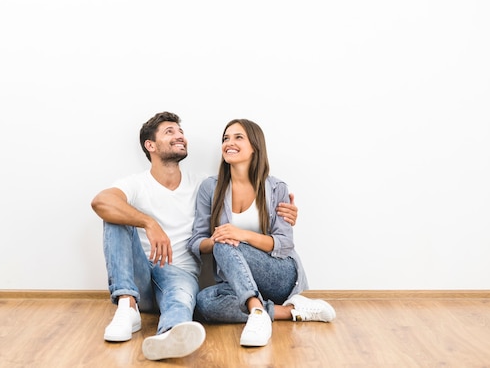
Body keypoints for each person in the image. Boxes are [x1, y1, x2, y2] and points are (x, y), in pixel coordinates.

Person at [90, 112, 299, 361]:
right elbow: (101, 201)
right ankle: (127, 307)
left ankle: (172, 333)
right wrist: (148, 222)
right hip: (137, 279)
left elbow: (279, 237)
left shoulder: (205, 185)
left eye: (181, 132)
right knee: (114, 216)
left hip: (180, 273)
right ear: (150, 145)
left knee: (184, 298)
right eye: (170, 132)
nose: (180, 136)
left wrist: (285, 213)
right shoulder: (139, 184)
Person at [187, 118, 336, 348]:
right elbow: (197, 242)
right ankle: (288, 311)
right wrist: (217, 240)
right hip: (239, 281)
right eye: (225, 138)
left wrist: (240, 235)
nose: (229, 143)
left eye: (238, 137)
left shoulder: (277, 188)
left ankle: (257, 314)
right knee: (204, 302)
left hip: (279, 274)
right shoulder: (211, 188)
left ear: (255, 146)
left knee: (228, 242)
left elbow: (284, 244)